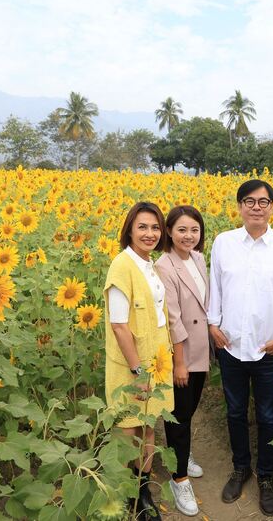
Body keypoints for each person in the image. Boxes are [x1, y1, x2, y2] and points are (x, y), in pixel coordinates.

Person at [207, 179, 273, 517]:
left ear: (272, 207)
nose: (256, 207)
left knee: (266, 414)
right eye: (249, 201)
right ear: (239, 207)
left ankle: (265, 476)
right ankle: (240, 468)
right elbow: (215, 286)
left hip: (269, 348)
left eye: (263, 201)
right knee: (234, 412)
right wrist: (212, 324)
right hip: (230, 345)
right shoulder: (223, 243)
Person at [103, 201, 174, 521]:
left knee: (147, 428)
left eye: (155, 227)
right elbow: (119, 325)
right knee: (126, 430)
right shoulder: (122, 265)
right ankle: (117, 498)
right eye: (142, 227)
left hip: (154, 358)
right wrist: (138, 370)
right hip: (132, 365)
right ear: (129, 229)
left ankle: (142, 491)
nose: (150, 233)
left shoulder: (149, 263)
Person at [155, 205, 210, 517]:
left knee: (188, 410)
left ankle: (181, 452)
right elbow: (173, 318)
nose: (189, 236)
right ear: (169, 233)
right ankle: (179, 478)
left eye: (194, 230)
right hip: (182, 352)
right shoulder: (165, 265)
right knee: (178, 414)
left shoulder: (199, 258)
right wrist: (179, 362)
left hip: (201, 349)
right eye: (182, 230)